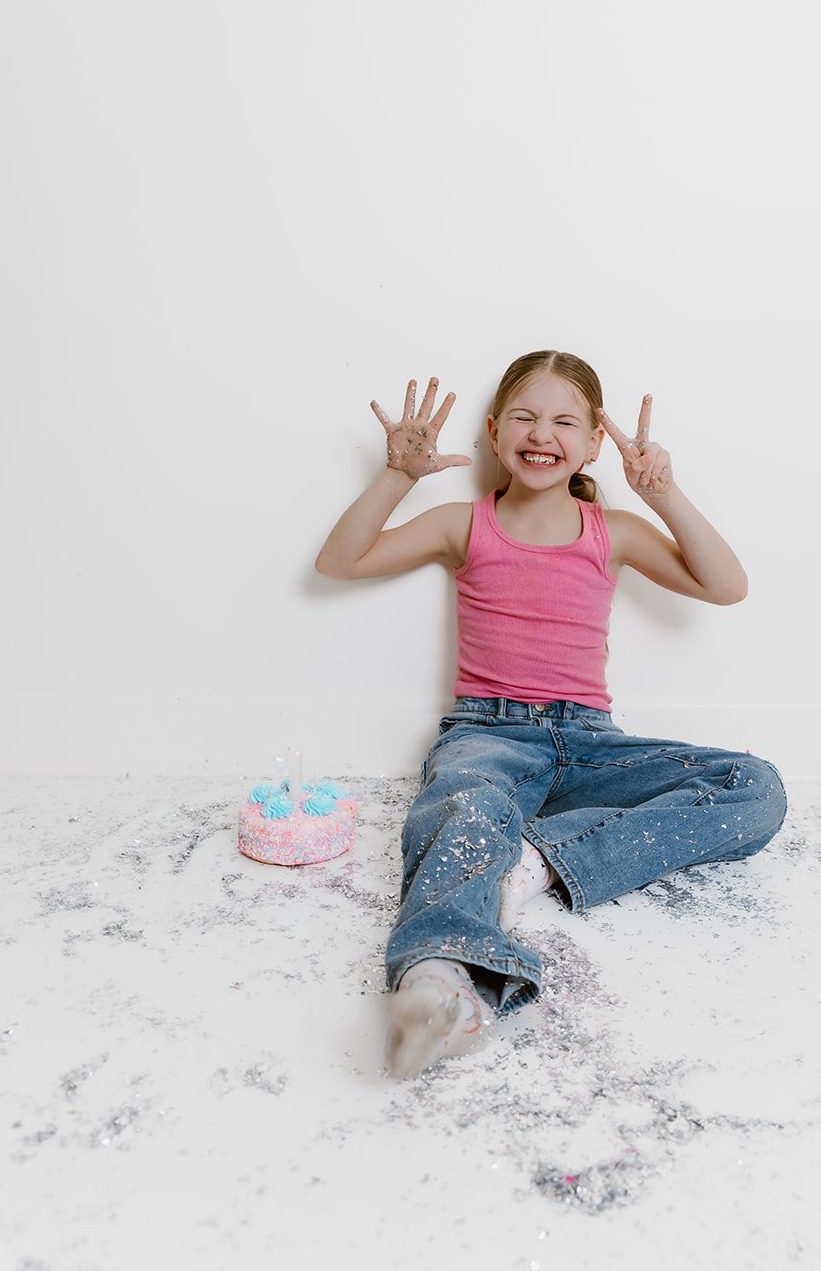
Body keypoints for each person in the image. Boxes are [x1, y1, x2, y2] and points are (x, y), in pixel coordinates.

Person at [315, 350, 787, 1078]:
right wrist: (398, 477)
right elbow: (340, 561)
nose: (542, 434)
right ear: (494, 432)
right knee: (465, 804)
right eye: (525, 418)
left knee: (755, 787)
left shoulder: (613, 530)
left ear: (594, 443)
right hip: (489, 733)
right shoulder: (462, 524)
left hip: (590, 743)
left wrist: (662, 494)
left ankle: (536, 860)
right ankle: (438, 975)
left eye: (565, 422)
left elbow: (727, 586)